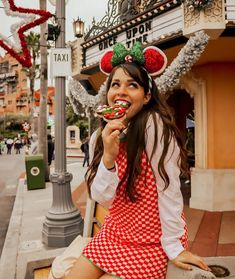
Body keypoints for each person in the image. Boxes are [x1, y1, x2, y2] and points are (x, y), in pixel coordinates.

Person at [65, 42, 210, 279]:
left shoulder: (154, 127)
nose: (121, 92)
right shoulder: (98, 139)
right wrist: (109, 159)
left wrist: (174, 247)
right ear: (108, 95)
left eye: (132, 85)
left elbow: (169, 188)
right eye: (115, 84)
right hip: (114, 233)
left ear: (146, 97)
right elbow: (103, 198)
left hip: (151, 240)